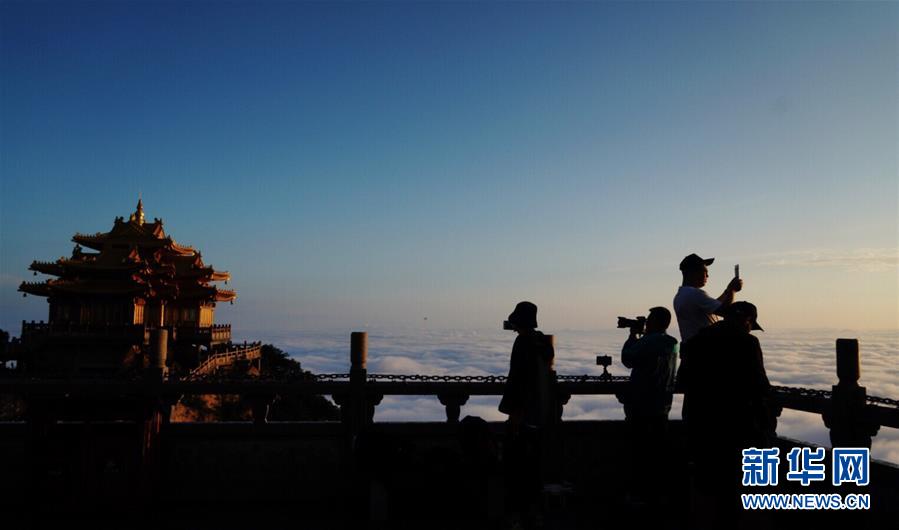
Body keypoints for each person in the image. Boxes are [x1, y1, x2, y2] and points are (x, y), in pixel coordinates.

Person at [678, 301, 773, 525]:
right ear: (747, 320)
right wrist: (764, 423)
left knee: (705, 485)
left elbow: (682, 381)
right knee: (735, 486)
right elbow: (759, 385)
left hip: (700, 424)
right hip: (736, 425)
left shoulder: (695, 342)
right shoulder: (748, 343)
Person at [498, 301, 555, 527]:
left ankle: (518, 514)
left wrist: (513, 413)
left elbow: (517, 379)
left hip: (523, 413)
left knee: (518, 466)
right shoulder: (542, 341)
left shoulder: (523, 342)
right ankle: (535, 511)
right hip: (540, 412)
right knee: (534, 466)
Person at [619, 306, 679, 505]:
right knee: (657, 456)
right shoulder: (672, 343)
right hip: (662, 407)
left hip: (641, 408)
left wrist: (633, 336)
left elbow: (628, 358)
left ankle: (638, 498)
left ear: (655, 322)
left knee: (638, 456)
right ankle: (657, 499)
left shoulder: (648, 341)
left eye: (650, 320)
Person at [673, 253, 743, 342]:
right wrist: (732, 291)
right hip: (705, 351)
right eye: (705, 271)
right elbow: (726, 311)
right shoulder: (695, 294)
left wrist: (727, 291)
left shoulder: (682, 295)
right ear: (693, 273)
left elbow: (713, 307)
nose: (707, 276)